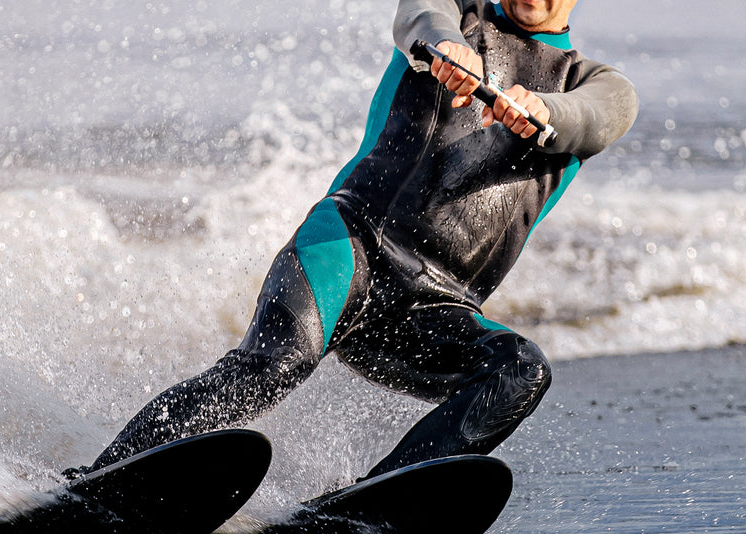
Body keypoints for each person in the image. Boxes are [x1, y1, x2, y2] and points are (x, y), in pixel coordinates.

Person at [72, 0, 637, 481]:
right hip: (348, 248)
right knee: (271, 367)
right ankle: (100, 477)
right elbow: (421, 18)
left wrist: (544, 111)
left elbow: (593, 116)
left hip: (432, 312)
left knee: (521, 368)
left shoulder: (595, 85)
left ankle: (371, 507)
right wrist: (447, 50)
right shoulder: (456, 13)